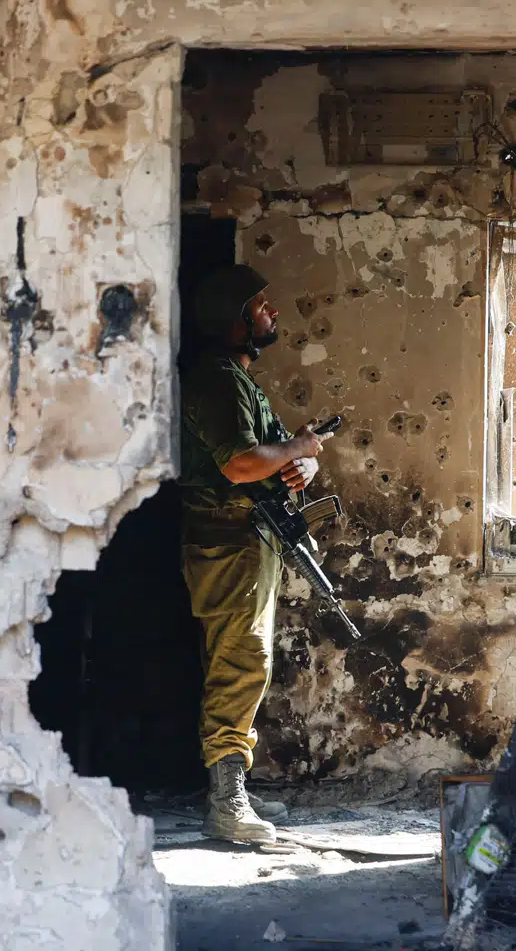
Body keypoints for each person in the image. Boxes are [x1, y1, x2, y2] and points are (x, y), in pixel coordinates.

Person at [178, 264, 333, 844]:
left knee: (246, 660)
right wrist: (294, 447)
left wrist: (300, 461)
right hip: (226, 539)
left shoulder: (235, 379)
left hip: (247, 538)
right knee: (239, 662)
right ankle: (225, 801)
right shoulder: (217, 379)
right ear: (235, 321)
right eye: (261, 306)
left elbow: (262, 463)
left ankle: (232, 786)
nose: (273, 314)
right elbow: (239, 464)